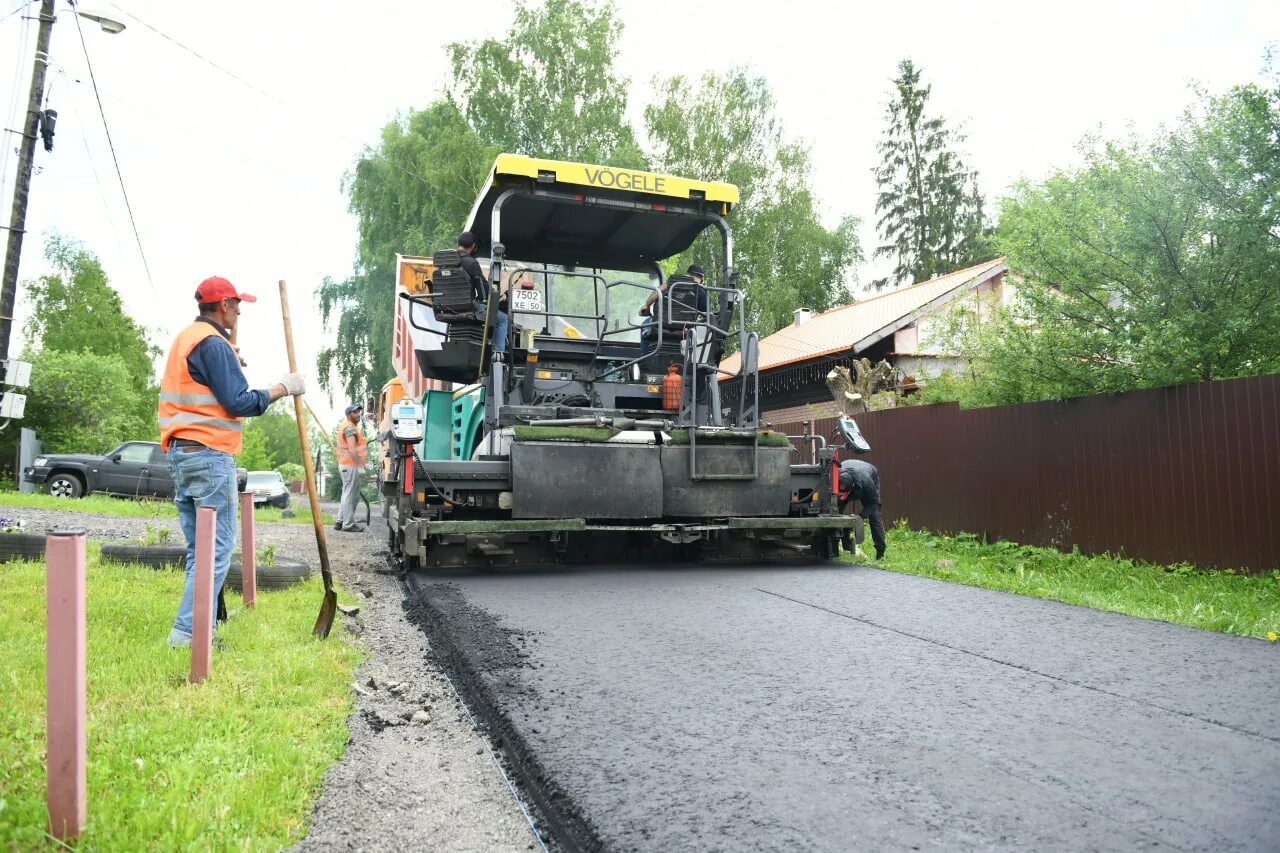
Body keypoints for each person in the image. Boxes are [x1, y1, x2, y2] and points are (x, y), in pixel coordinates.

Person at [158, 276, 305, 648]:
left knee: (201, 549)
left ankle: (203, 623)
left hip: (182, 453)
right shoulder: (212, 344)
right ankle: (189, 635)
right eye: (237, 304)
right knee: (217, 547)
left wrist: (228, 356)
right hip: (208, 454)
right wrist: (281, 389)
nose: (239, 310)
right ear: (223, 305)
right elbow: (238, 402)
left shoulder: (188, 338)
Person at [457, 231, 508, 353]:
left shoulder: (445, 261)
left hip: (446, 307)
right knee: (502, 318)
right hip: (468, 307)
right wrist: (498, 297)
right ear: (474, 246)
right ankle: (498, 356)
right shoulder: (471, 263)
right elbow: (484, 290)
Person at [640, 264, 708, 356]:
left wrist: (646, 306)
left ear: (688, 274)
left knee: (645, 325)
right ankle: (690, 358)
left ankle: (644, 358)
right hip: (686, 327)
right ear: (701, 279)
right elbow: (707, 314)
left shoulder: (674, 282)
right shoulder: (702, 291)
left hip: (662, 323)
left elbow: (657, 292)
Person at [838, 458, 886, 560]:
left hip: (868, 473)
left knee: (874, 515)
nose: (841, 496)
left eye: (844, 494)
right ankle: (837, 547)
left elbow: (873, 502)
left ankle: (880, 554)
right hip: (846, 465)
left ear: (853, 487)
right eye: (840, 493)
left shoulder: (867, 482)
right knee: (835, 513)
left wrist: (860, 517)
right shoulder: (834, 476)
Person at [335, 404, 369, 532]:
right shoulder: (349, 428)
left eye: (359, 411)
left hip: (346, 465)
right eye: (355, 412)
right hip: (350, 465)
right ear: (349, 415)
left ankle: (340, 521)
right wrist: (360, 466)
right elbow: (352, 450)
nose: (358, 414)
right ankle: (348, 524)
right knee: (351, 496)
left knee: (346, 494)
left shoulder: (348, 427)